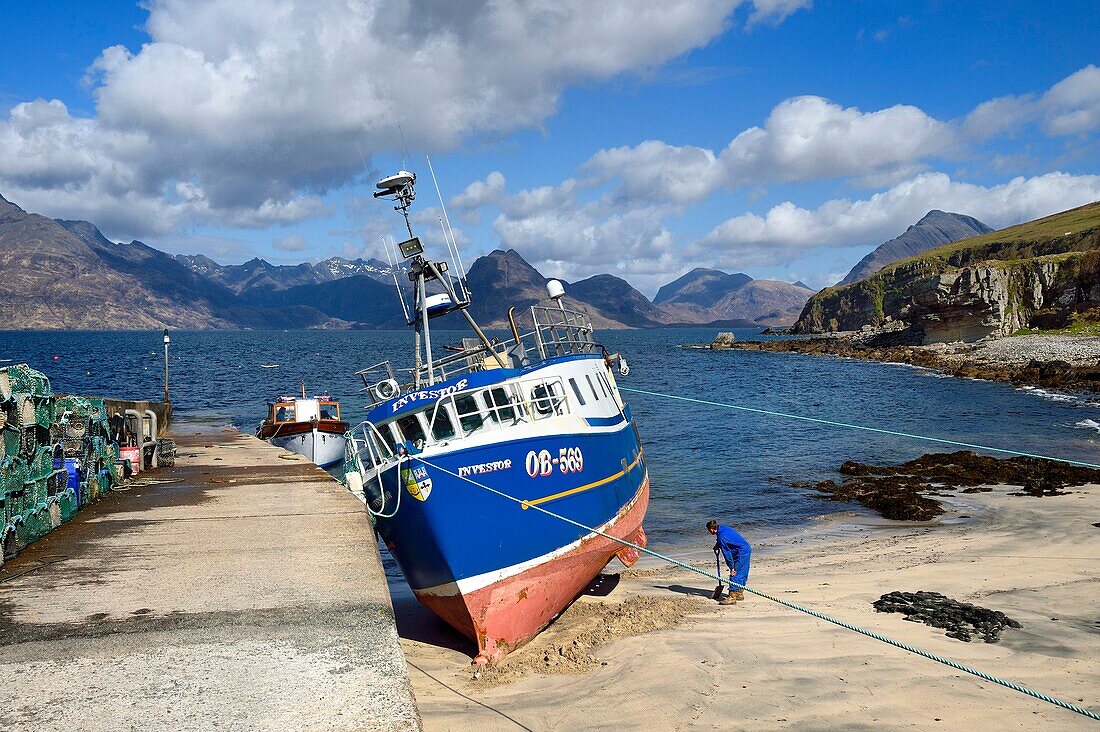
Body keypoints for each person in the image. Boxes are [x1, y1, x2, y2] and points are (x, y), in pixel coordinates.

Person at [707, 519, 751, 606]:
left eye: (708, 530)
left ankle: (732, 597)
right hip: (746, 548)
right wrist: (717, 545)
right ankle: (739, 593)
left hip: (740, 552)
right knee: (742, 571)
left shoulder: (721, 537)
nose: (709, 532)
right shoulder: (724, 528)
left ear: (712, 529)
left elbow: (727, 554)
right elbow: (728, 538)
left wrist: (731, 567)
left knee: (735, 572)